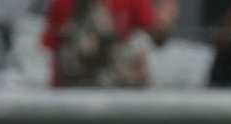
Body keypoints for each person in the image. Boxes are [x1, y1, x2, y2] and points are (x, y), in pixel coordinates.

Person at [41, 0, 177, 87]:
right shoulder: (63, 4)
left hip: (110, 95)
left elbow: (156, 36)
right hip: (82, 94)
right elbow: (53, 53)